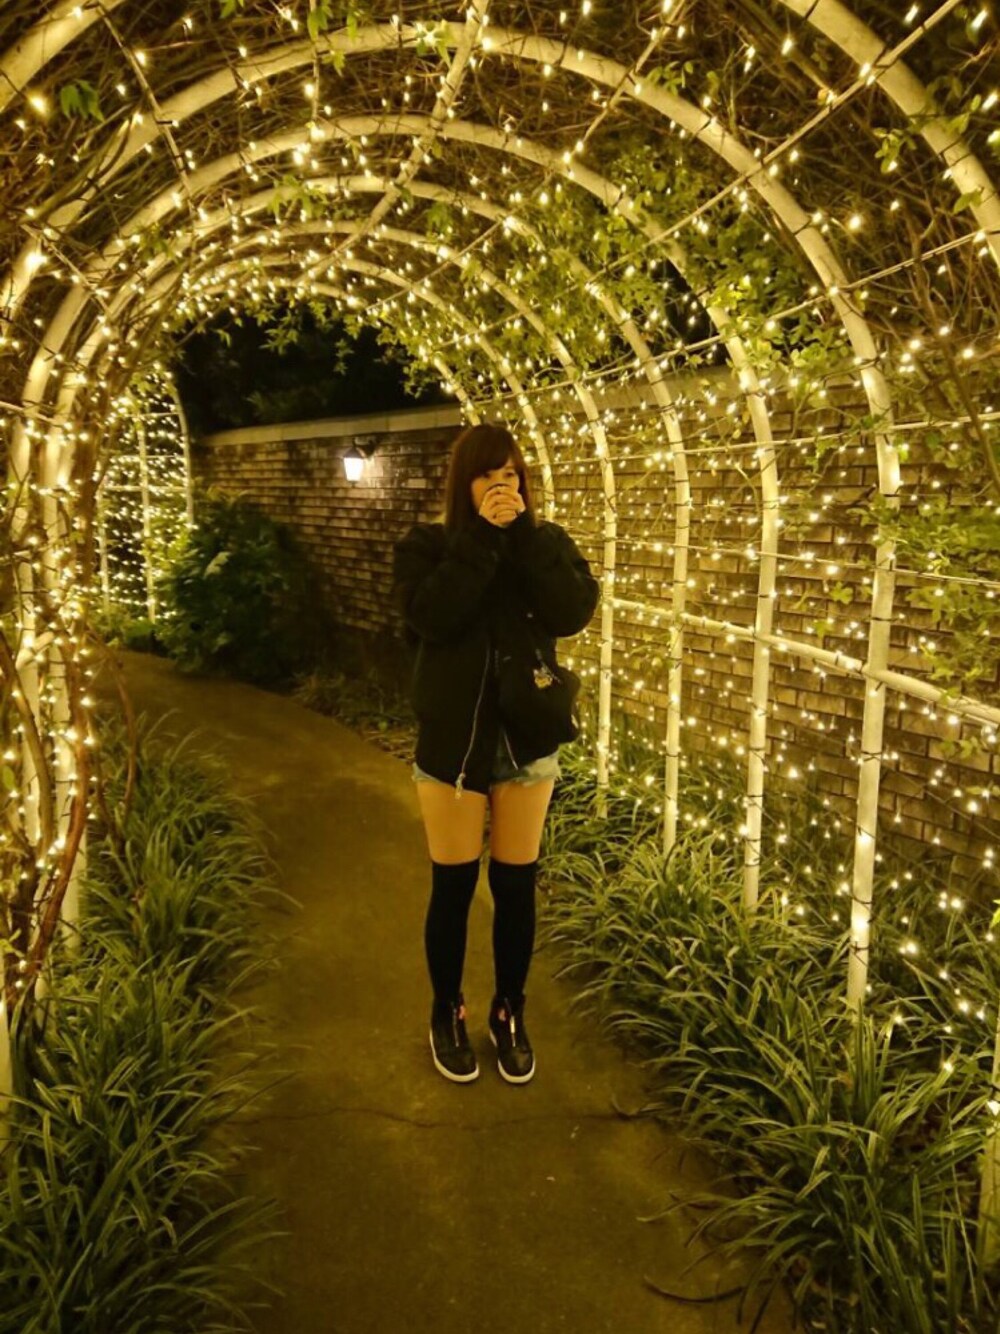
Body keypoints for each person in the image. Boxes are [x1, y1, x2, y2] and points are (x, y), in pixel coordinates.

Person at [392, 423, 600, 1085]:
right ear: (465, 483)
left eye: (512, 474)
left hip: (526, 743)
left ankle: (509, 1011)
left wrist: (525, 539)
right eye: (488, 474)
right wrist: (481, 539)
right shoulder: (428, 547)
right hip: (454, 744)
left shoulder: (543, 543)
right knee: (453, 887)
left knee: (515, 888)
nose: (502, 486)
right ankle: (447, 1010)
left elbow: (573, 611)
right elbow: (430, 617)